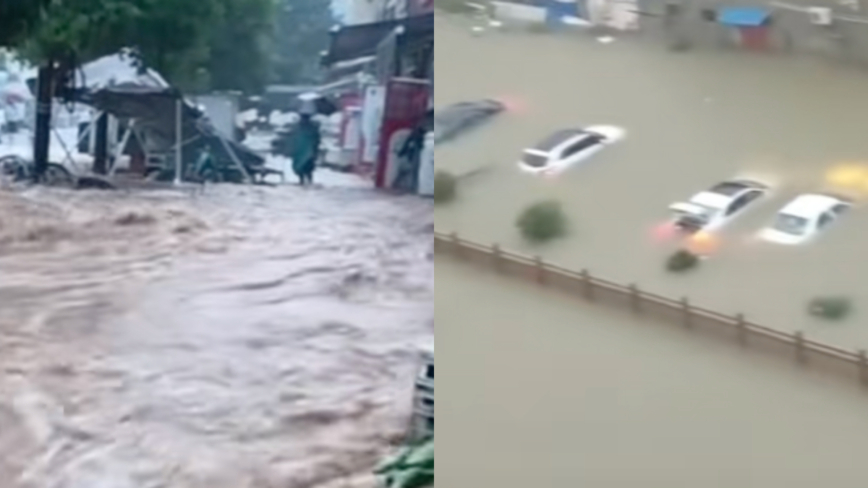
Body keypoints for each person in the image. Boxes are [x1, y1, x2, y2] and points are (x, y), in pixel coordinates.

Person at [290, 111, 321, 186]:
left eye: (304, 118)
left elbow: (316, 140)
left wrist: (315, 151)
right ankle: (302, 180)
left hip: (308, 151)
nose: (303, 120)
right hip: (299, 151)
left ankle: (308, 181)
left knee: (308, 168)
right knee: (299, 167)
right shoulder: (298, 127)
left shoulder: (312, 128)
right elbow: (293, 138)